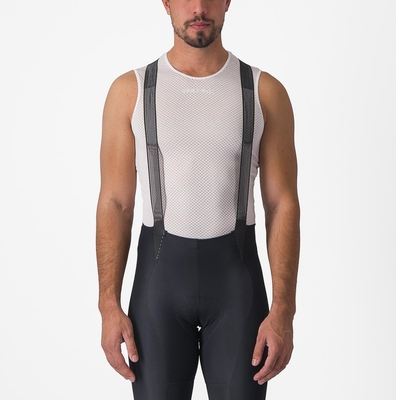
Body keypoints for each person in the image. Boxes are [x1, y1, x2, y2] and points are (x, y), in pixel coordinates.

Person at [96, 0, 300, 399]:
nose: (199, 8)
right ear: (166, 3)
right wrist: (108, 305)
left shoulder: (264, 91)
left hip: (237, 289)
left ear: (227, 2)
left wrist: (283, 311)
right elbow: (115, 203)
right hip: (158, 289)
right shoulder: (131, 91)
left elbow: (282, 204)